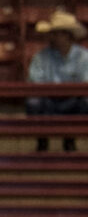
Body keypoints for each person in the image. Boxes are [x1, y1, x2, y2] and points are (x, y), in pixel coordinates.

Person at [26, 9, 88, 153]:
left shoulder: (84, 57)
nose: (52, 38)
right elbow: (34, 81)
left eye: (56, 34)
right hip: (48, 100)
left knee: (85, 102)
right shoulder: (41, 57)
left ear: (68, 36)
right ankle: (42, 141)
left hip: (73, 100)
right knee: (33, 102)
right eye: (52, 34)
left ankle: (70, 139)